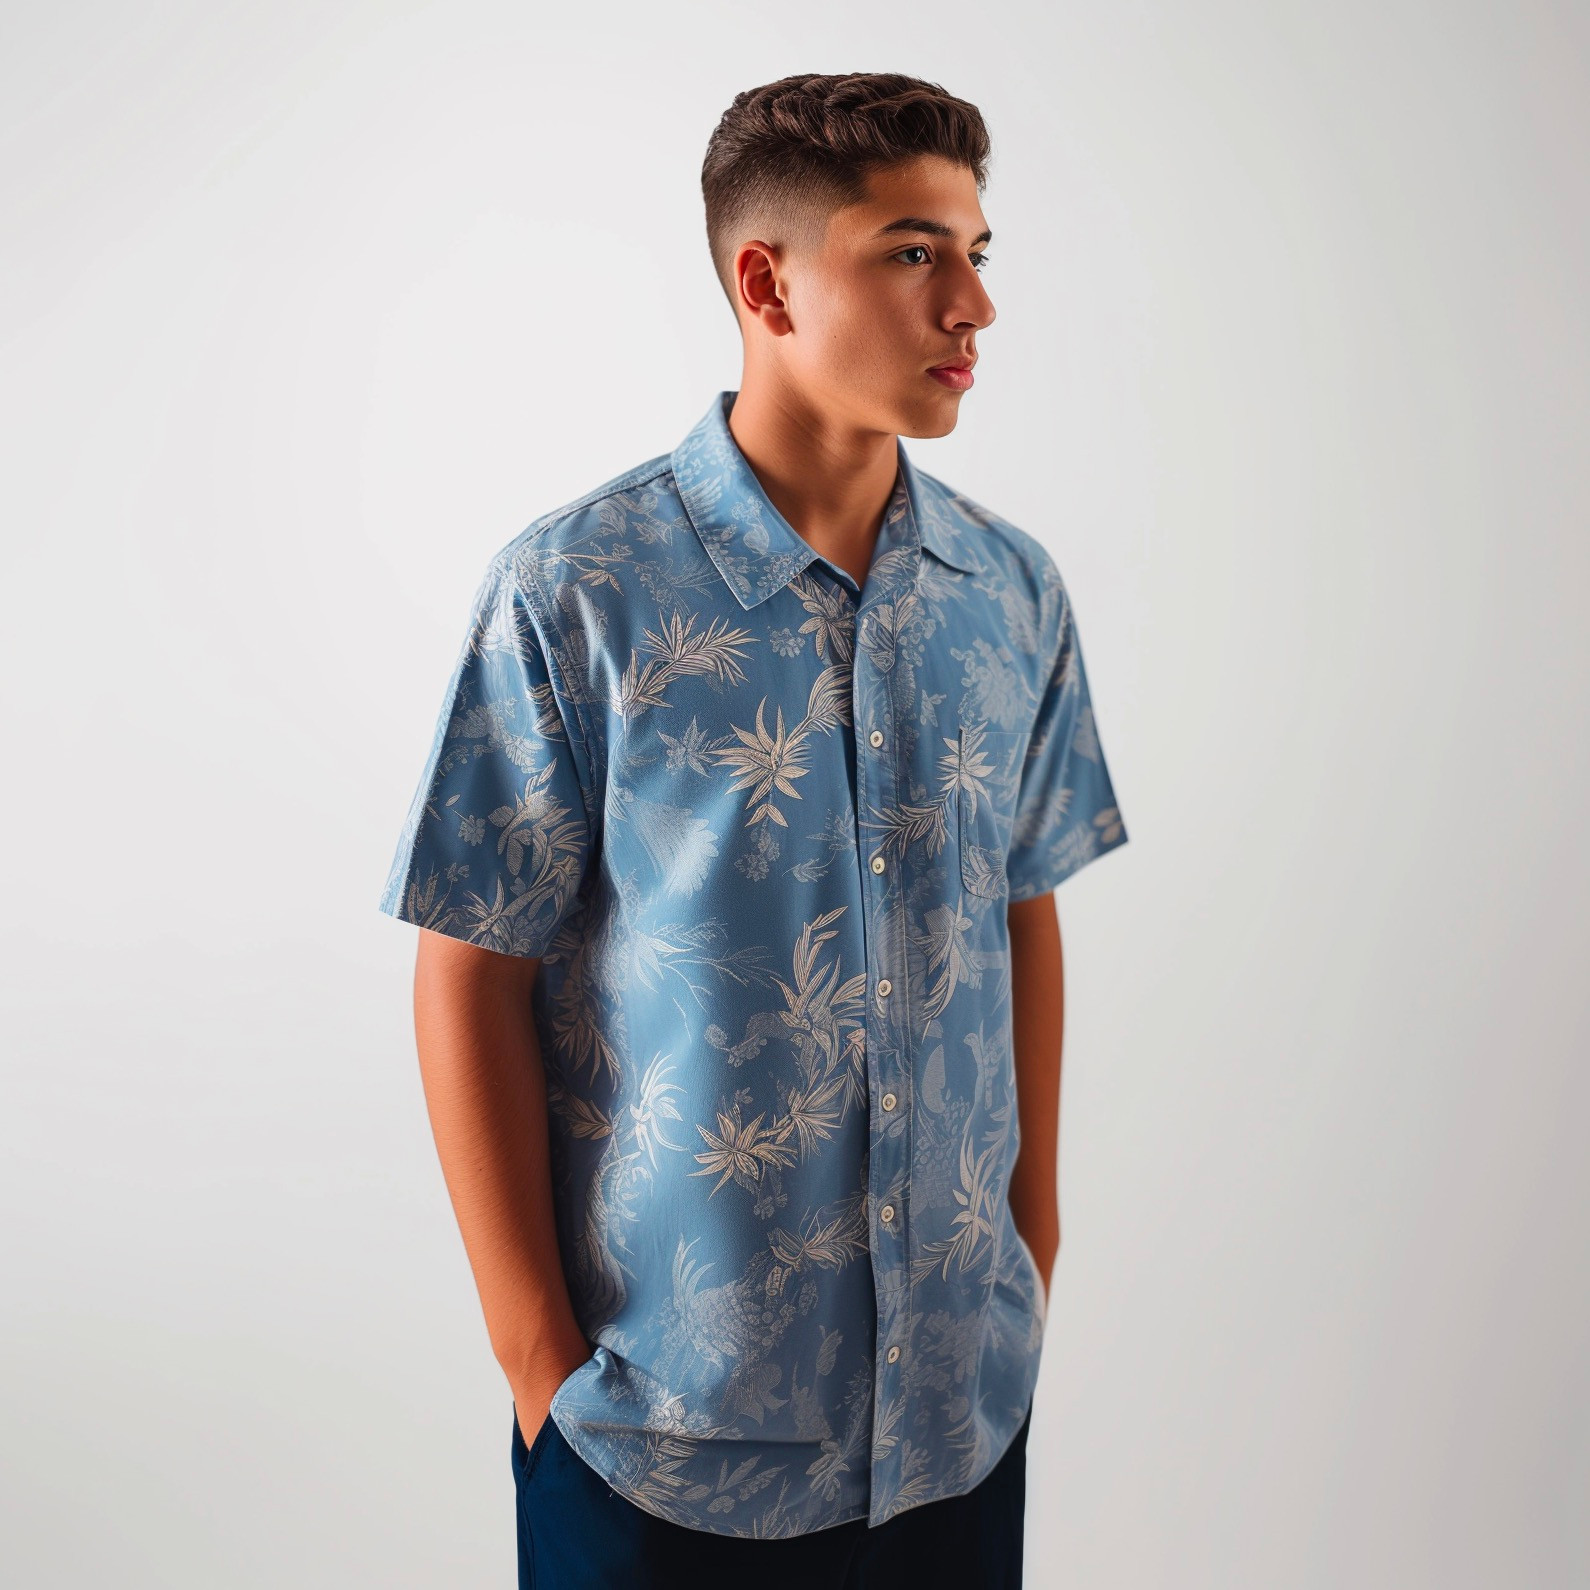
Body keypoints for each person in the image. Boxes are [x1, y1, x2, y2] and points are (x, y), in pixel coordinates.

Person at [378, 70, 1128, 1588]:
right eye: (913, 252)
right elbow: (469, 965)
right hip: (658, 1444)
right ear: (767, 284)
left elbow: (1023, 905)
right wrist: (537, 1366)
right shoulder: (576, 594)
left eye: (977, 252)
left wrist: (1031, 1247)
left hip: (956, 1420)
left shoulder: (1011, 593)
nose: (972, 305)